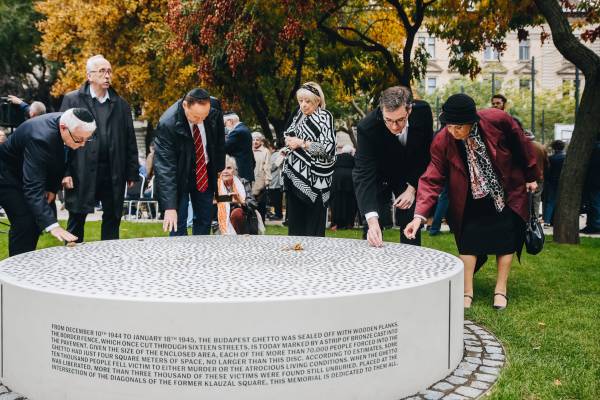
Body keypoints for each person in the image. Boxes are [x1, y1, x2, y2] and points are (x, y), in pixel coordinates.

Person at [404, 93, 539, 310]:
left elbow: (521, 145)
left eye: (458, 127)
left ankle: (500, 290)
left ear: (471, 122)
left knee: (505, 240)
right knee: (468, 242)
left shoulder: (498, 120)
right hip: (468, 197)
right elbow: (432, 176)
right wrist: (419, 216)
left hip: (503, 193)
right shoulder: (442, 140)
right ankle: (467, 292)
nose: (452, 131)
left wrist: (531, 176)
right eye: (448, 125)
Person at [60, 55, 140, 242]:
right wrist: (64, 171)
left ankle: (109, 263)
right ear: (89, 75)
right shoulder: (72, 100)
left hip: (113, 171)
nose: (107, 76)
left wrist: (131, 173)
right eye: (102, 71)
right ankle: (70, 261)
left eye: (109, 71)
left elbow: (130, 140)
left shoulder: (121, 105)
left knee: (113, 218)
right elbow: (61, 138)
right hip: (80, 170)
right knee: (77, 218)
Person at [0, 108, 96, 256]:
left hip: (30, 173)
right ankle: (15, 270)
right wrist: (53, 226)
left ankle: (28, 261)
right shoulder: (41, 138)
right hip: (8, 176)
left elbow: (60, 162)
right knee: (25, 222)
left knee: (38, 222)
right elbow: (32, 187)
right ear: (64, 128)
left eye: (87, 139)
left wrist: (52, 188)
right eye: (79, 139)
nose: (83, 144)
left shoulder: (68, 126)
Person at [353, 85, 433, 247]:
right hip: (378, 174)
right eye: (388, 120)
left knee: (409, 215)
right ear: (382, 111)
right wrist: (372, 219)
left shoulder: (423, 112)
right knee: (374, 220)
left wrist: (412, 188)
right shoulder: (366, 128)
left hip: (409, 172)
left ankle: (411, 262)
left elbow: (424, 154)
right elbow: (363, 173)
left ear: (409, 110)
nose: (394, 127)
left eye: (400, 120)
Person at [153, 88, 225, 235]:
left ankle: (201, 255)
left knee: (205, 220)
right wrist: (170, 207)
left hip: (204, 172)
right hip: (179, 175)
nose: (200, 121)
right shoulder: (168, 124)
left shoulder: (214, 109)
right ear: (185, 105)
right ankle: (180, 256)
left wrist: (218, 170)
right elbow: (165, 167)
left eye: (204, 116)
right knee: (178, 223)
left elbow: (219, 142)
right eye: (196, 117)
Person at [283, 82, 336, 237]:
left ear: (317, 101)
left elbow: (328, 150)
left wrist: (302, 143)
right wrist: (288, 141)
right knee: (295, 228)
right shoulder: (297, 115)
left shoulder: (325, 117)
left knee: (313, 230)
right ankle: (295, 258)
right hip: (294, 177)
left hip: (316, 181)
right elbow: (287, 134)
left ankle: (315, 259)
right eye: (300, 101)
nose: (303, 105)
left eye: (308, 101)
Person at [330, 144, 357, 230]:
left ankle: (335, 224)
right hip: (350, 179)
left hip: (337, 179)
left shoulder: (336, 157)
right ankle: (349, 224)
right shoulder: (354, 159)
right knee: (351, 202)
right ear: (350, 152)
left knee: (336, 202)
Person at [224, 112, 255, 183]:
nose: (225, 126)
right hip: (245, 171)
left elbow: (224, 148)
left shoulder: (237, 132)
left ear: (230, 121)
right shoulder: (243, 128)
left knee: (241, 193)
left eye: (225, 123)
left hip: (240, 172)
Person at [524, 130, 548, 219]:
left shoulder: (520, 146)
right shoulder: (540, 146)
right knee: (536, 198)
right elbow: (546, 163)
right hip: (539, 176)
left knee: (524, 197)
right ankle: (535, 218)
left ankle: (526, 217)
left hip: (524, 177)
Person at [543, 140, 566, 227]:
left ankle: (547, 221)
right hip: (562, 182)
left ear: (553, 148)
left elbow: (547, 171)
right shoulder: (565, 158)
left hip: (551, 181)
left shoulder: (551, 158)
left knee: (550, 201)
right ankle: (559, 220)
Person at [581, 138, 600, 234]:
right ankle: (593, 224)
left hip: (594, 180)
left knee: (594, 203)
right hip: (595, 180)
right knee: (594, 203)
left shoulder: (595, 148)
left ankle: (595, 225)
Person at [251, 131, 271, 222]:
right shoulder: (249, 149)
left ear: (261, 141)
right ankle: (251, 223)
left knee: (260, 204)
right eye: (253, 140)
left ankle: (261, 223)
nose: (255, 142)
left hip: (260, 180)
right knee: (250, 203)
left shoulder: (265, 151)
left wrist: (267, 180)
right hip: (250, 180)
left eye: (257, 140)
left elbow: (267, 166)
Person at [267, 144, 285, 220]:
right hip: (274, 181)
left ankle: (278, 214)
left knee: (277, 199)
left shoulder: (277, 155)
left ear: (272, 148)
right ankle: (277, 214)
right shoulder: (274, 154)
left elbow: (273, 167)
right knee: (275, 199)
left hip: (276, 182)